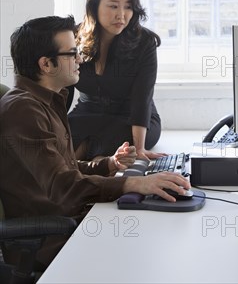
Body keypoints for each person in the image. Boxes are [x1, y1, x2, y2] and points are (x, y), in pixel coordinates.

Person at [0, 16, 190, 269]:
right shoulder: (24, 111)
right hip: (49, 241)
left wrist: (109, 165)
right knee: (157, 248)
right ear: (46, 64)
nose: (80, 59)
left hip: (71, 222)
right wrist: (133, 183)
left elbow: (62, 167)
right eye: (72, 53)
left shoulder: (44, 102)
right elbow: (64, 185)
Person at [67, 0, 165, 161]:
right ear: (94, 7)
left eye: (128, 7)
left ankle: (94, 162)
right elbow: (64, 87)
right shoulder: (74, 36)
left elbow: (142, 97)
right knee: (61, 138)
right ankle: (90, 163)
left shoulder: (144, 42)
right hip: (88, 114)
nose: (121, 15)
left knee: (118, 142)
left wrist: (140, 148)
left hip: (132, 120)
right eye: (113, 6)